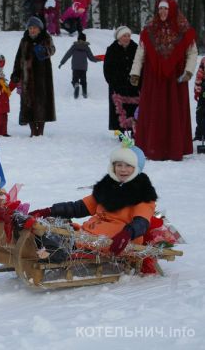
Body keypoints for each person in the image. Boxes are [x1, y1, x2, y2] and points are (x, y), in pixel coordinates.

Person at [29, 136, 158, 256]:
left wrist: (127, 233)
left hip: (117, 240)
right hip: (92, 234)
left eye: (128, 166)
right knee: (56, 229)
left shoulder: (143, 194)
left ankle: (51, 250)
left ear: (137, 169)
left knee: (62, 241)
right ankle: (44, 245)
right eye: (119, 165)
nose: (123, 169)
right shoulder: (108, 187)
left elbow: (142, 223)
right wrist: (51, 210)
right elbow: (79, 207)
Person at [130, 0, 197, 161]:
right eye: (160, 9)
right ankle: (153, 147)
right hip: (154, 79)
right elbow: (141, 52)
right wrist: (135, 72)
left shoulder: (183, 30)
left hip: (176, 80)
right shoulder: (149, 30)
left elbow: (192, 52)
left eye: (165, 9)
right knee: (155, 111)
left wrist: (188, 71)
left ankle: (174, 147)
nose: (162, 12)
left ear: (172, 10)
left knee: (174, 112)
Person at [10, 16, 56, 137]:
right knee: (28, 104)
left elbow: (52, 50)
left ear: (40, 29)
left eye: (34, 28)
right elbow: (18, 58)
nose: (32, 30)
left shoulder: (46, 38)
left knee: (41, 104)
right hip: (27, 78)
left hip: (42, 78)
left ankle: (40, 130)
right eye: (30, 28)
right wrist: (16, 74)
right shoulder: (24, 40)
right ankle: (32, 130)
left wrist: (43, 50)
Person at [103, 26, 140, 132]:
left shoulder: (135, 48)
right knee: (119, 110)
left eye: (128, 36)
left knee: (133, 108)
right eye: (124, 36)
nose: (127, 38)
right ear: (119, 37)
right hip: (117, 85)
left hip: (133, 85)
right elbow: (107, 68)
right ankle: (120, 130)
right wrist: (112, 81)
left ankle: (134, 129)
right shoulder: (112, 49)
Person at [59, 32, 98, 99]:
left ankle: (76, 85)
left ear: (78, 39)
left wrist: (62, 63)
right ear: (85, 39)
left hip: (75, 67)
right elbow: (91, 58)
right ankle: (84, 93)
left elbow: (67, 55)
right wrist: (97, 59)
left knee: (75, 79)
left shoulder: (74, 46)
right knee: (83, 81)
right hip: (83, 67)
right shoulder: (86, 47)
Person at [193, 57, 205, 141]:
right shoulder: (204, 61)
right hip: (203, 92)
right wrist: (197, 91)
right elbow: (199, 76)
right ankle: (200, 134)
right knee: (200, 113)